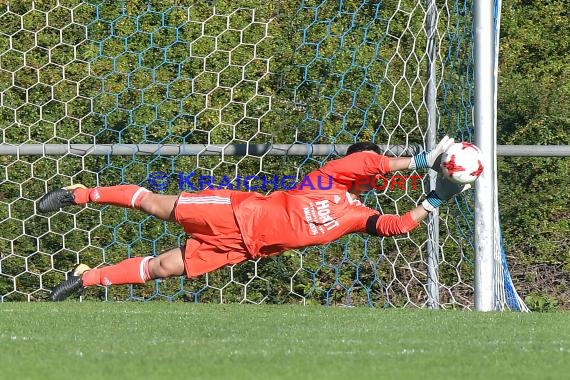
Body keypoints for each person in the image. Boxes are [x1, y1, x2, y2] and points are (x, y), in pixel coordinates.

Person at [38, 136, 469, 301]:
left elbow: (396, 226)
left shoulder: (358, 215)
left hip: (242, 248)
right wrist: (418, 160)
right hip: (235, 212)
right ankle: (78, 195)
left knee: (163, 268)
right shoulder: (327, 181)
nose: (372, 178)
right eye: (369, 173)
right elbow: (370, 160)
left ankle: (87, 279)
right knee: (154, 203)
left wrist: (434, 199)